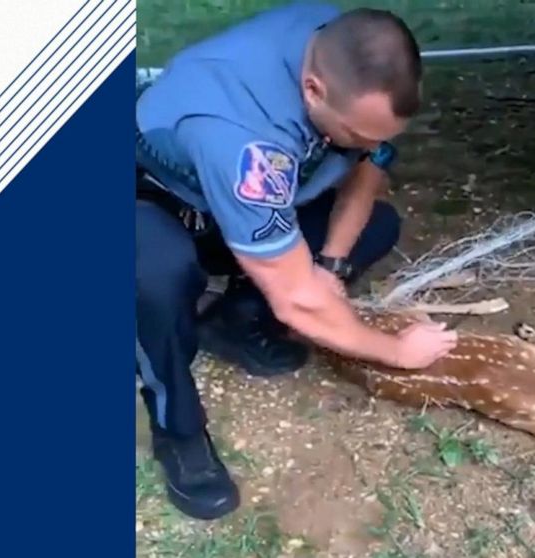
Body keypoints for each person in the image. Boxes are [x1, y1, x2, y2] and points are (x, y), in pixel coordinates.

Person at [135, 3, 458, 521]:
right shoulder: (244, 142)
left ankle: (233, 322)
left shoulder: (345, 43)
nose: (374, 148)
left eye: (384, 137)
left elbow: (368, 169)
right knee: (156, 275)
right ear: (312, 89)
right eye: (359, 135)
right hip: (152, 197)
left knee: (376, 225)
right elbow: (296, 303)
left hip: (236, 197)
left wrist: (328, 267)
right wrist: (396, 352)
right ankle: (178, 430)